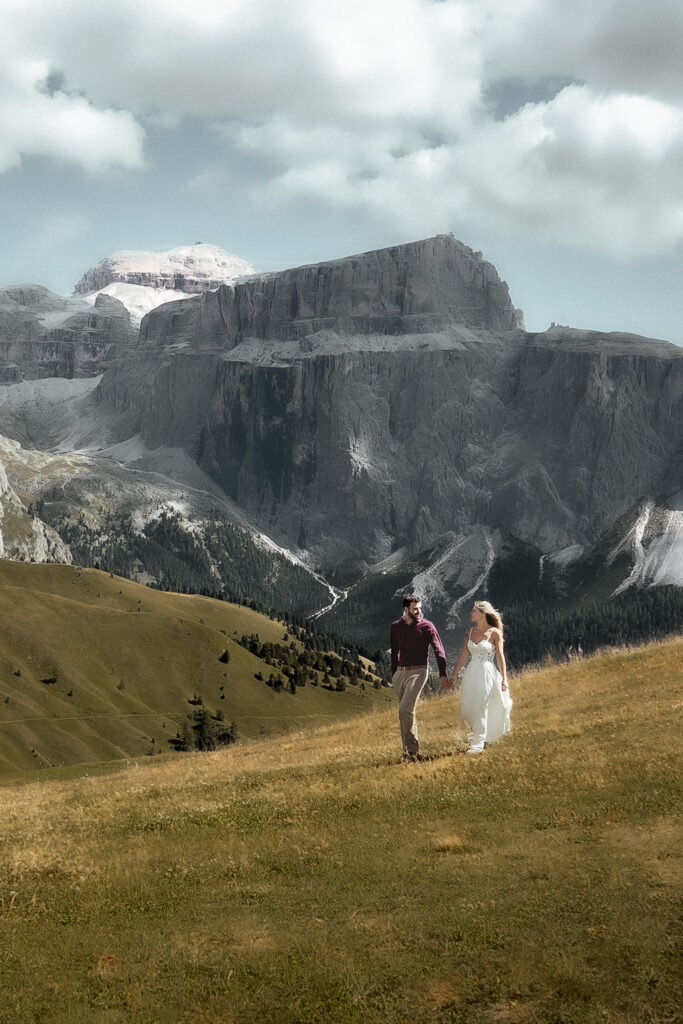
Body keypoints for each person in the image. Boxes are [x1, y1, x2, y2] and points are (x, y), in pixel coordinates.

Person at [390, 595, 449, 763]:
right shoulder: (396, 627)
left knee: (405, 710)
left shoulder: (427, 626)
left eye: (420, 608)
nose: (419, 611)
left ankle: (411, 752)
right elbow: (394, 652)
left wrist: (442, 673)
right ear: (406, 609)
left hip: (419, 671)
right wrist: (394, 674)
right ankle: (410, 753)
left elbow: (439, 650)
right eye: (415, 609)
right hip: (400, 673)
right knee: (406, 714)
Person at [448, 600, 512, 754]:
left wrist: (504, 679)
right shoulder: (470, 632)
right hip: (471, 673)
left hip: (487, 672)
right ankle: (481, 737)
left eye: (474, 611)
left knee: (482, 705)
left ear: (483, 614)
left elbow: (500, 656)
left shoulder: (495, 633)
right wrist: (454, 674)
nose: (471, 613)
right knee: (470, 706)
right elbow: (464, 653)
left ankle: (478, 743)